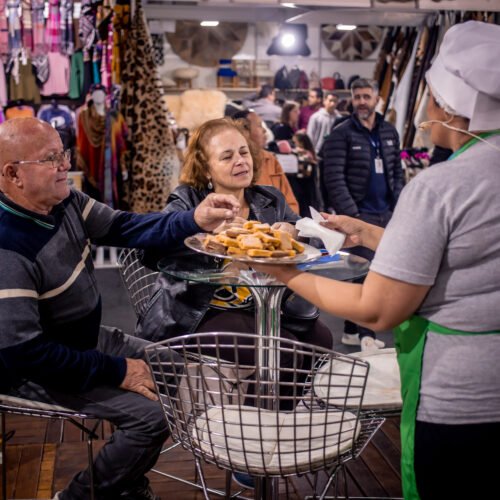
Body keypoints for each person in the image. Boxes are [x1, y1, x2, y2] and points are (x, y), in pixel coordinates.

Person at [252, 21, 500, 500]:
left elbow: (377, 308)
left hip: (461, 400)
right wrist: (368, 232)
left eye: (431, 97)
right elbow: (462, 254)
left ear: (449, 106)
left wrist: (285, 270)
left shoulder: (441, 186)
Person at [0, 118, 240, 500]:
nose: (65, 165)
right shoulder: (8, 248)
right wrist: (118, 370)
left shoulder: (67, 202)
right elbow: (25, 354)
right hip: (37, 368)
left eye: (64, 153)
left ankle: (124, 482)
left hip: (82, 341)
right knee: (153, 418)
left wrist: (194, 218)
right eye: (51, 158)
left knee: (182, 369)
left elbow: (126, 227)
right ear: (13, 174)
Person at [138, 117, 333, 355]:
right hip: (198, 313)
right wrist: (206, 233)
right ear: (206, 169)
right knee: (281, 351)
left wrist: (295, 233)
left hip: (260, 306)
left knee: (321, 341)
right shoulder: (187, 201)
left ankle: (276, 380)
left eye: (244, 152)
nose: (240, 161)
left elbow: (311, 236)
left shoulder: (269, 199)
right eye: (227, 157)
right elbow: (148, 252)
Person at [322, 77, 404, 350]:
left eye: (366, 96)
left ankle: (351, 331)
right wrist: (352, 215)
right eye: (357, 97)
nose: (361, 102)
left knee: (379, 272)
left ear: (376, 99)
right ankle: (368, 335)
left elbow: (397, 171)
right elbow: (333, 178)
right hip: (358, 215)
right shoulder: (341, 133)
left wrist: (398, 206)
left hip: (386, 213)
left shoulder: (389, 131)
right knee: (366, 274)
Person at [233, 109, 299, 214]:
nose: (264, 130)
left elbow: (291, 204)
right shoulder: (234, 163)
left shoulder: (270, 159)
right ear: (244, 131)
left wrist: (288, 222)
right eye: (259, 125)